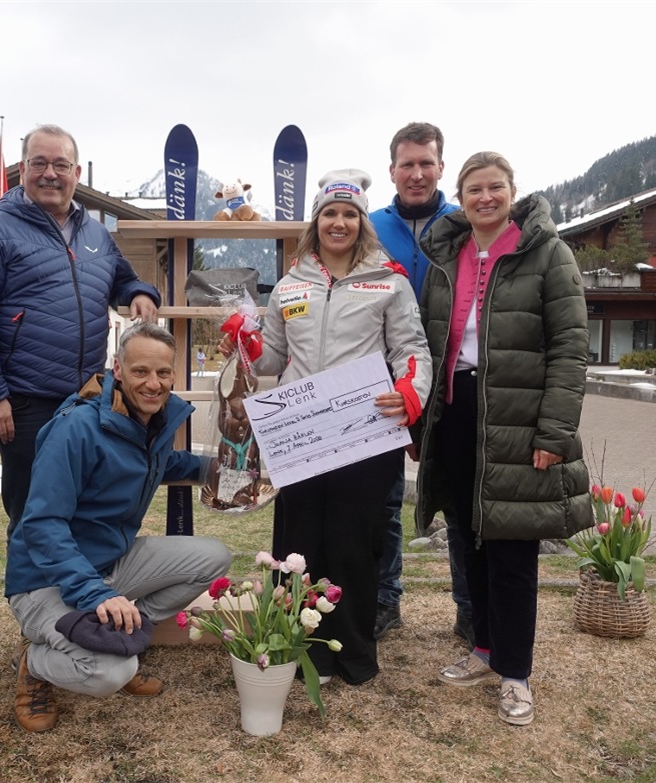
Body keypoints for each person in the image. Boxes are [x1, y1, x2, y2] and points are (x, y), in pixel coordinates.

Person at [221, 170, 431, 685]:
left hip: (364, 434)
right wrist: (244, 346)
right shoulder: (291, 284)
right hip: (300, 436)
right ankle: (294, 649)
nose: (339, 222)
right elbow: (271, 356)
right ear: (316, 222)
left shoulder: (390, 281)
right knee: (298, 543)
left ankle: (353, 654)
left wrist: (410, 395)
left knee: (355, 545)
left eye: (350, 213)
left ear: (363, 222)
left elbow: (412, 352)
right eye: (330, 213)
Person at [416, 152, 591, 726]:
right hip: (457, 412)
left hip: (518, 416)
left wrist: (555, 432)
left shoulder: (547, 253)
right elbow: (429, 342)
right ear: (460, 198)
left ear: (512, 191)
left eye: (495, 187)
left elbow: (569, 350)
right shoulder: (447, 255)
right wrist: (424, 422)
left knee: (513, 549)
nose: (484, 197)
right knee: (469, 538)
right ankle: (486, 651)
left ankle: (515, 674)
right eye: (473, 189)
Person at [5, 322, 232, 732]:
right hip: (44, 580)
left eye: (163, 373)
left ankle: (120, 633)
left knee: (214, 557)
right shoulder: (76, 428)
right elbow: (42, 524)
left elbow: (160, 463)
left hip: (110, 563)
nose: (154, 383)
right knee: (107, 673)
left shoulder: (151, 421)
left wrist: (214, 469)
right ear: (118, 369)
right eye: (141, 371)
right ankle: (35, 664)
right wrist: (93, 593)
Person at [0, 124, 160, 540]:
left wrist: (138, 291)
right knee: (33, 515)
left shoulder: (95, 233)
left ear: (77, 172)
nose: (50, 173)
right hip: (25, 404)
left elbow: (123, 277)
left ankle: (79, 602)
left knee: (83, 510)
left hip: (85, 398)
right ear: (22, 170)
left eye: (60, 164)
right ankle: (33, 605)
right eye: (39, 163)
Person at [368, 123, 469, 645]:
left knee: (458, 500)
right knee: (385, 501)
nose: (416, 173)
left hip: (453, 381)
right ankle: (386, 600)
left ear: (440, 167)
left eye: (426, 163)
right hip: (386, 388)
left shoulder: (464, 223)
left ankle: (469, 608)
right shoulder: (369, 227)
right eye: (407, 164)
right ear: (392, 170)